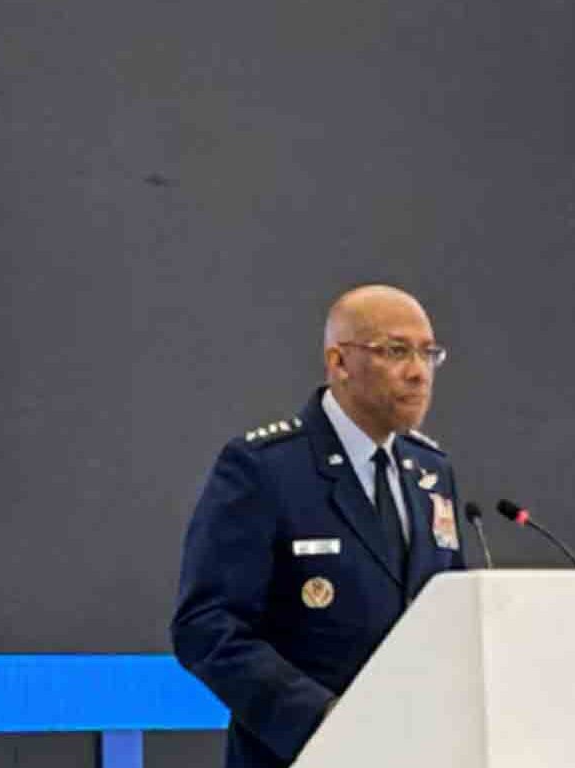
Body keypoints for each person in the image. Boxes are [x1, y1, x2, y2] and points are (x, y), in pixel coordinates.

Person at [171, 284, 467, 768]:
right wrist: (324, 719)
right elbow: (206, 625)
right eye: (395, 351)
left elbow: (446, 613)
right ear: (339, 362)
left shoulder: (431, 471)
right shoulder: (265, 468)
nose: (417, 373)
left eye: (428, 353)